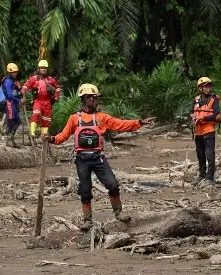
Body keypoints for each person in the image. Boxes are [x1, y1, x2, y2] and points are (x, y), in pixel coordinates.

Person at [46, 83, 155, 230]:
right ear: (85, 98)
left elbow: (120, 124)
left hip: (98, 158)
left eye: (96, 98)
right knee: (85, 190)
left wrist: (139, 122)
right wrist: (52, 139)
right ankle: (87, 220)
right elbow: (63, 136)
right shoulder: (74, 119)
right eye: (93, 98)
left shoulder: (102, 117)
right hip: (82, 159)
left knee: (112, 184)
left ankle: (118, 213)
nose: (95, 100)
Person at [191, 76, 221, 185]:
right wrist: (193, 118)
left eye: (209, 86)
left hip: (208, 130)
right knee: (200, 154)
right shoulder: (196, 99)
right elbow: (191, 112)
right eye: (205, 86)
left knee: (209, 154)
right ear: (200, 88)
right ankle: (201, 175)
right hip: (198, 131)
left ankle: (210, 178)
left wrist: (203, 118)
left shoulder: (214, 98)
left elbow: (217, 116)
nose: (208, 88)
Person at [21, 59, 60, 138]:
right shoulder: (33, 79)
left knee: (46, 119)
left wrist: (55, 98)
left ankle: (44, 136)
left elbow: (58, 89)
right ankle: (32, 133)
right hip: (38, 101)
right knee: (36, 114)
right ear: (39, 69)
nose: (43, 69)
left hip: (48, 102)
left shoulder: (51, 80)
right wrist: (23, 93)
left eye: (45, 68)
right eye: (42, 68)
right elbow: (25, 86)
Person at [1, 63, 21, 148]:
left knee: (17, 121)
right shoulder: (8, 81)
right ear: (9, 72)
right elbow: (9, 95)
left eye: (16, 72)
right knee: (11, 121)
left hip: (14, 104)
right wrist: (19, 100)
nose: (15, 74)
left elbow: (16, 92)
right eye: (13, 72)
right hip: (9, 103)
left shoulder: (14, 81)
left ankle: (11, 139)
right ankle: (8, 139)